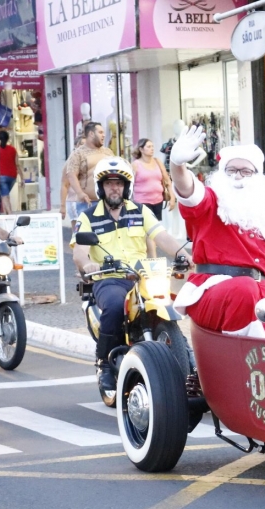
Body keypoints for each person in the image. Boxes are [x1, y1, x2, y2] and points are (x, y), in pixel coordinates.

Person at [169, 126, 265, 339]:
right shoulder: (211, 203)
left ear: (257, 176)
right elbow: (189, 192)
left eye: (246, 171)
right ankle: (236, 363)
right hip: (213, 292)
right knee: (244, 290)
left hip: (263, 301)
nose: (238, 177)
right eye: (231, 171)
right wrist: (177, 166)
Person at [71, 157, 186, 396]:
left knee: (169, 304)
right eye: (109, 183)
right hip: (109, 278)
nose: (115, 188)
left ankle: (188, 363)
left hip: (141, 276)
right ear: (101, 187)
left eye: (119, 183)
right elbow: (79, 253)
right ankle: (104, 363)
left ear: (126, 186)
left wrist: (183, 254)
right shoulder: (88, 217)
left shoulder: (141, 211)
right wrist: (89, 265)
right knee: (113, 306)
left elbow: (161, 236)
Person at [64, 122, 114, 213]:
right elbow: (71, 174)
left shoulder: (108, 152)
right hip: (87, 203)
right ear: (91, 134)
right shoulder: (78, 153)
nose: (104, 135)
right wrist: (80, 193)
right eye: (100, 132)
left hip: (108, 202)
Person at [131, 138, 175, 220]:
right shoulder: (135, 165)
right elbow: (129, 184)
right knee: (146, 228)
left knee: (156, 228)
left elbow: (167, 181)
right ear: (141, 149)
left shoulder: (157, 161)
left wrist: (172, 197)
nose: (152, 148)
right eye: (148, 147)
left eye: (152, 146)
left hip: (158, 201)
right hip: (142, 202)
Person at [0, 131, 20, 215]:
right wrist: (22, 178)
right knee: (4, 194)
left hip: (2, 176)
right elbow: (17, 163)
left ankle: (10, 214)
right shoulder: (13, 149)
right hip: (13, 176)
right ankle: (6, 214)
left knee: (5, 196)